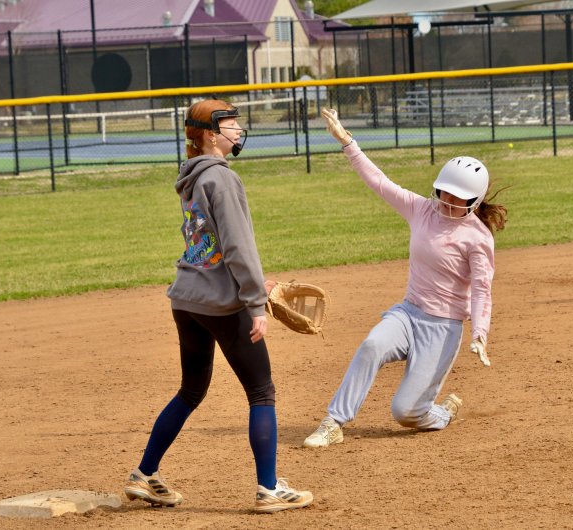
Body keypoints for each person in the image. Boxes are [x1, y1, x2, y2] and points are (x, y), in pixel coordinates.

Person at [124, 99, 313, 513]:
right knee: (261, 391)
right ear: (211, 135)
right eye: (230, 124)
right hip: (221, 304)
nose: (238, 130)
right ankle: (269, 488)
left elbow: (208, 245)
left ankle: (144, 474)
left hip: (187, 298)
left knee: (191, 390)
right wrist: (256, 303)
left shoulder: (192, 175)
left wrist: (255, 284)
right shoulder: (222, 179)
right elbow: (237, 246)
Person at [303, 108, 507, 449]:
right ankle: (333, 423)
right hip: (408, 314)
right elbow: (379, 181)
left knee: (406, 413)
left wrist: (480, 332)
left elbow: (482, 290)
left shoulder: (477, 238)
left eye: (457, 196)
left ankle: (441, 413)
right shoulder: (422, 209)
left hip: (443, 329)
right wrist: (347, 141)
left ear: (474, 201)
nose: (447, 199)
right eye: (444, 191)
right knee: (371, 345)